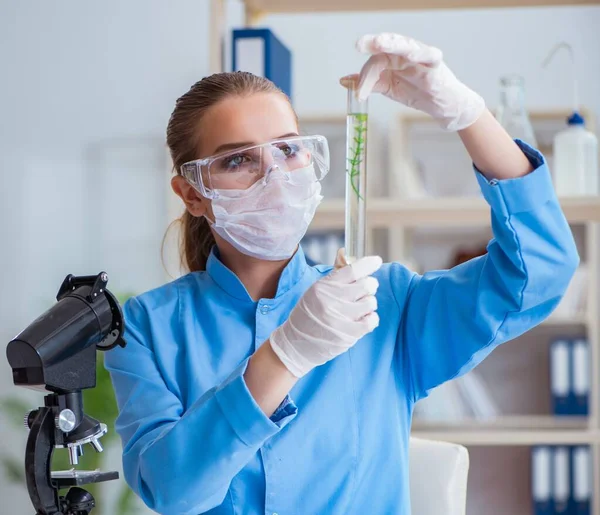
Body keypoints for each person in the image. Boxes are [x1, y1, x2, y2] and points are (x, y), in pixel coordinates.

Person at [104, 33, 579, 515]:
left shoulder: (381, 304)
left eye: (288, 150)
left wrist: (469, 116)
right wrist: (285, 355)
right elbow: (172, 491)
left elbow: (538, 271)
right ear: (191, 194)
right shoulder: (147, 327)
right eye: (238, 159)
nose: (274, 175)